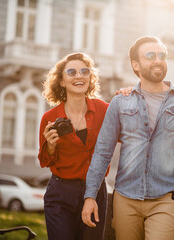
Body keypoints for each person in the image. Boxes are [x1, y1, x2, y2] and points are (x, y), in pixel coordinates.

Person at [82, 36, 174, 240]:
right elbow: (103, 152)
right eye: (150, 55)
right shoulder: (120, 103)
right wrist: (90, 196)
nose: (158, 60)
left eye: (162, 55)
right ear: (136, 64)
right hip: (125, 199)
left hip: (163, 201)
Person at [39, 52, 111, 240]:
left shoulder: (104, 109)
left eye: (84, 71)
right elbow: (45, 161)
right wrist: (51, 146)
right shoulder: (49, 118)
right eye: (71, 72)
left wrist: (125, 96)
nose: (79, 76)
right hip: (61, 193)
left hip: (95, 191)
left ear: (90, 77)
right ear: (61, 81)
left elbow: (127, 131)